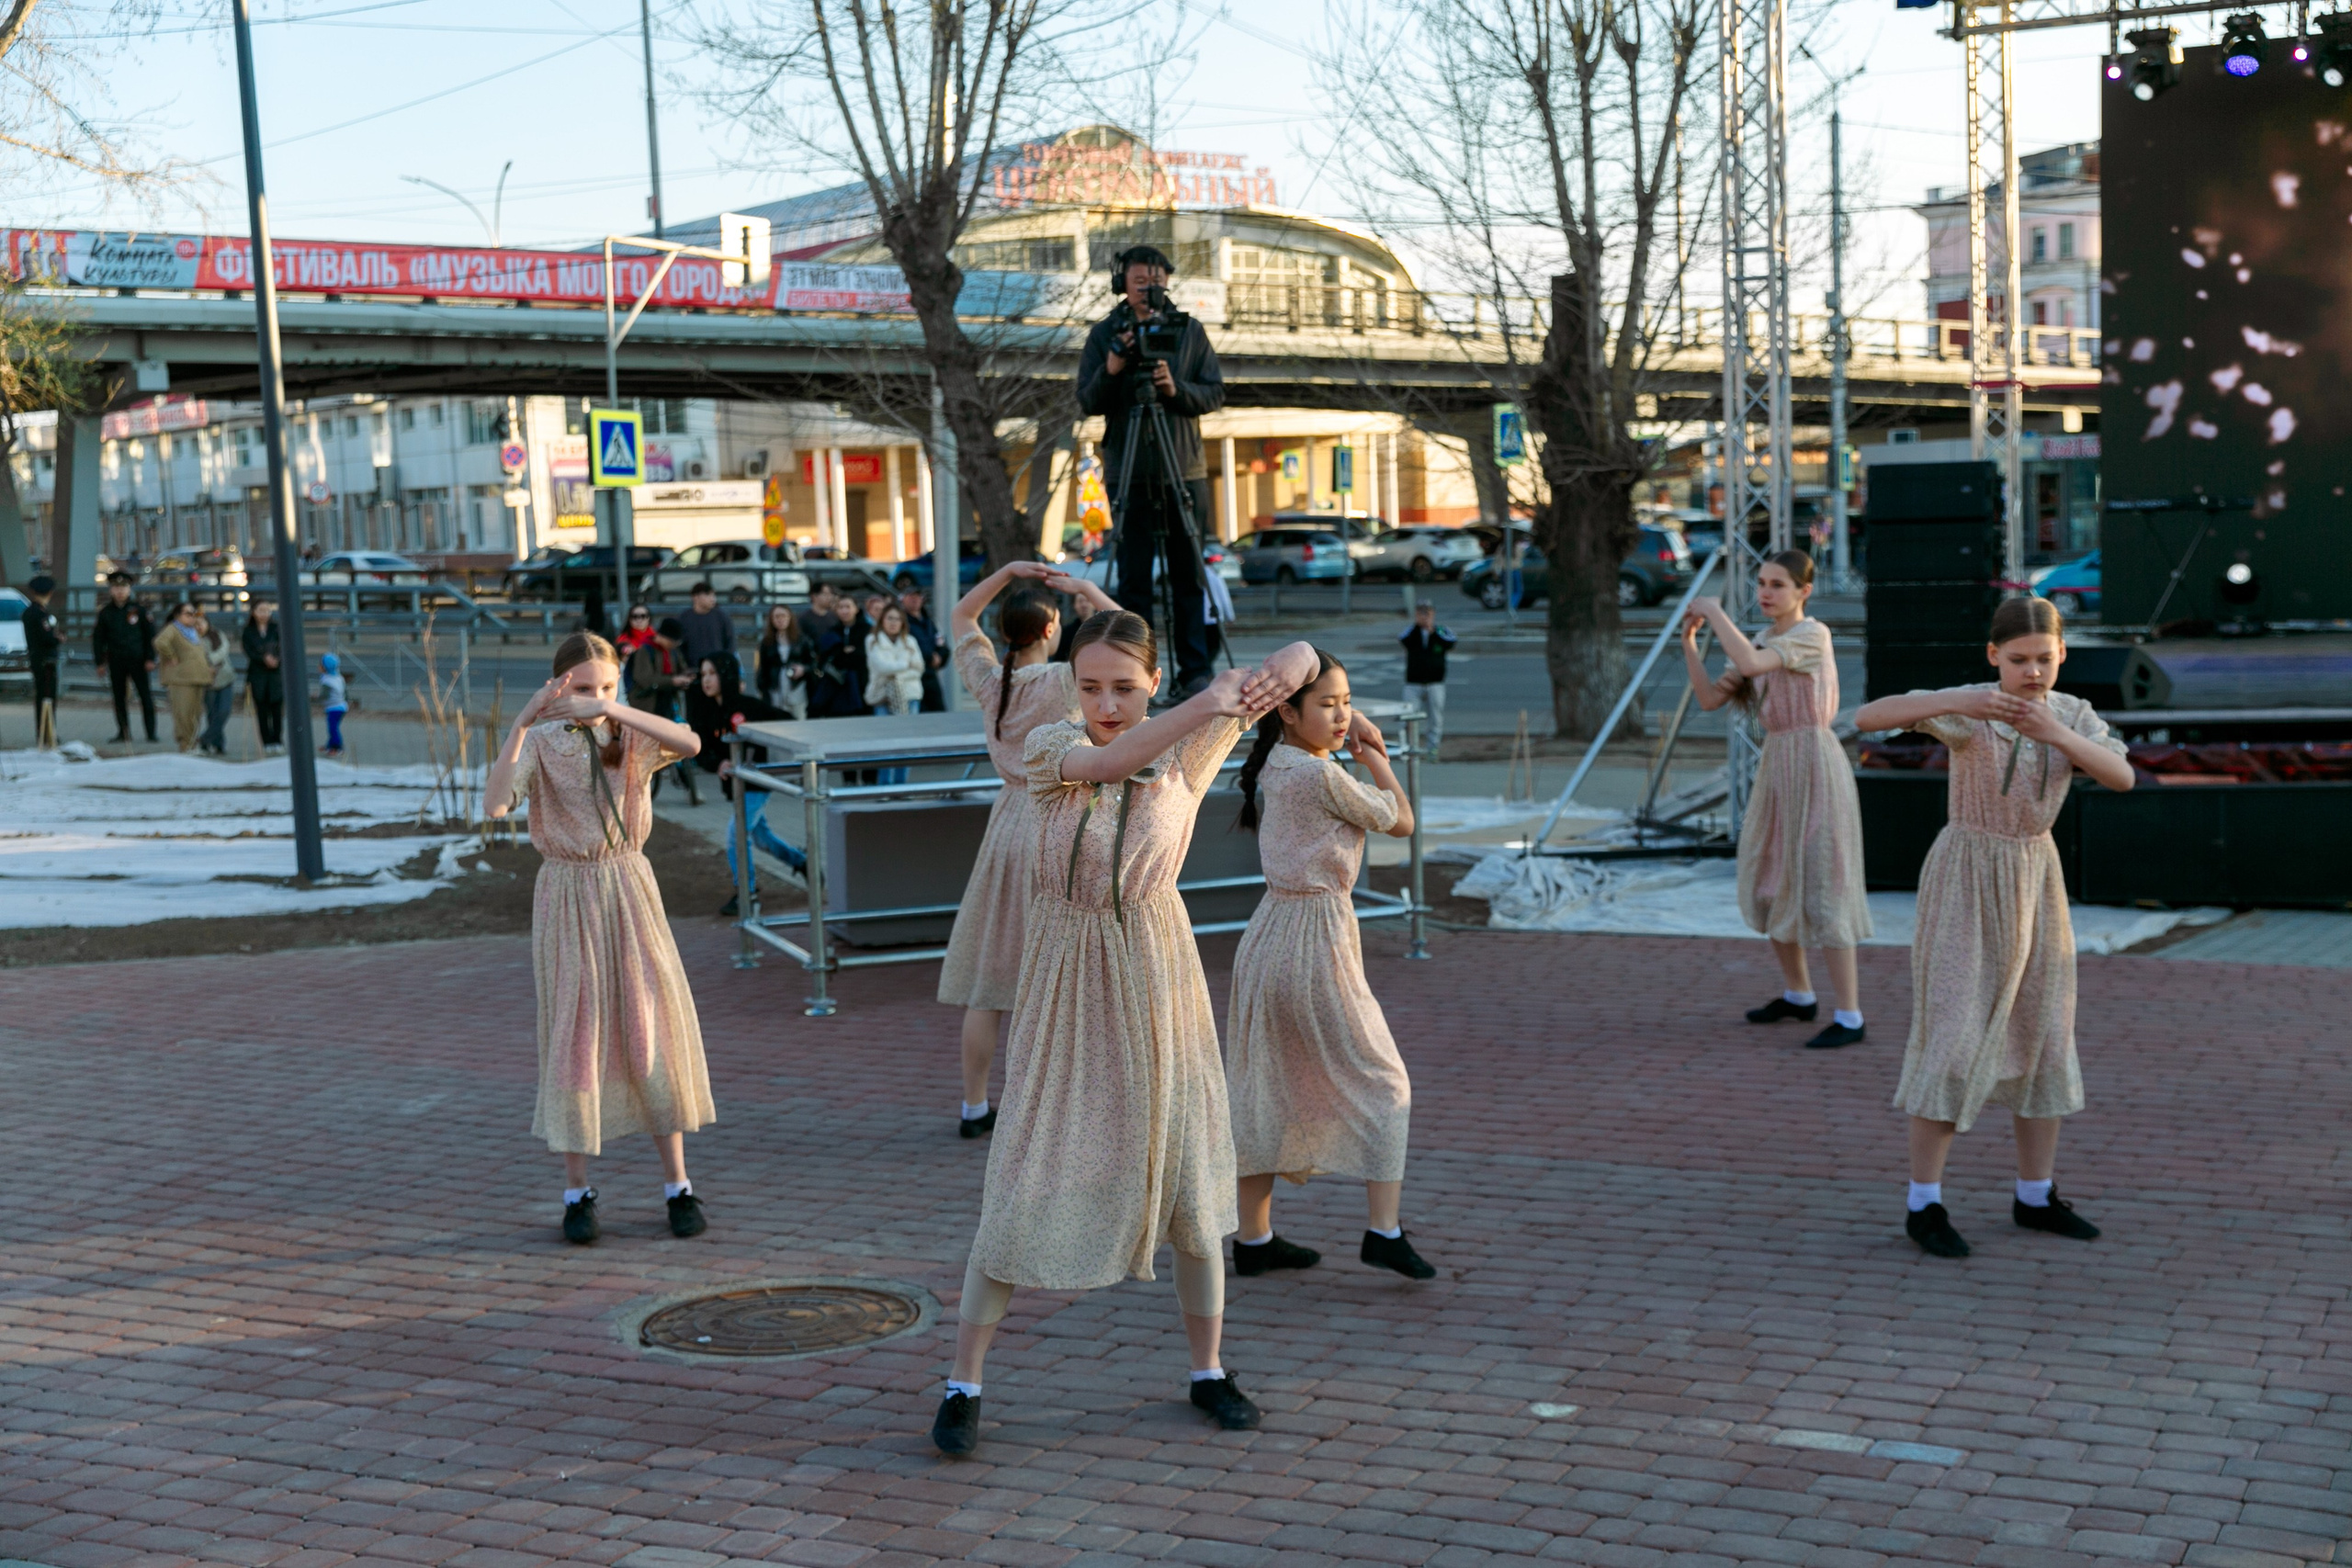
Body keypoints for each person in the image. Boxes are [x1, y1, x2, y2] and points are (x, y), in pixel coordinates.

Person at [928, 614, 1315, 1457]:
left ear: (1153, 679)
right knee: (1026, 1170)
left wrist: (1249, 687)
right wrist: (1205, 703)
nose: (1106, 702)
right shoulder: (1048, 745)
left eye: (1125, 686)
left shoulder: (1194, 738)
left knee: (1188, 1174)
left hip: (1156, 966)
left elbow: (1301, 657)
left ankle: (1207, 1369)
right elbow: (1105, 763)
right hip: (1068, 969)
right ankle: (964, 1382)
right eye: (1091, 684)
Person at [1851, 597, 2135, 1260]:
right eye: (2017, 660)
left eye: (2044, 658)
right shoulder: (1974, 708)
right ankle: (1924, 1203)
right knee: (1952, 1032)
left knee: (2042, 1030)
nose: (2032, 672)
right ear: (1993, 656)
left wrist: (2059, 734)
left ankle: (2034, 1194)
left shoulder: (2073, 715)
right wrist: (1966, 699)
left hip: (2037, 876)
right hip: (1967, 874)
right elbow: (1868, 717)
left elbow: (2121, 775)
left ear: (2062, 654)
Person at [482, 630, 714, 1247]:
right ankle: (577, 1191)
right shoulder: (543, 741)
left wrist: (613, 709)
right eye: (583, 688)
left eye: (606, 685)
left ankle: (678, 1184)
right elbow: (495, 803)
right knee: (576, 1033)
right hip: (567, 893)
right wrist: (525, 722)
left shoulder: (630, 732)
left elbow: (692, 742)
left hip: (629, 886)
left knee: (650, 1023)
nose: (594, 697)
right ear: (559, 686)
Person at [1226, 649, 1432, 1282]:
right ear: (1288, 710)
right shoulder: (1322, 776)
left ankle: (1254, 1239)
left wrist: (1348, 720)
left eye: (1348, 701)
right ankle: (1383, 1230)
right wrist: (1376, 758)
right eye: (1330, 704)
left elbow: (1319, 718)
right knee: (1384, 1081)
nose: (1343, 715)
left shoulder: (1277, 763)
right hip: (1316, 941)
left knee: (1265, 1090)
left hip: (1268, 936)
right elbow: (1402, 819)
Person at [935, 563, 1116, 1140]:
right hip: (1053, 818)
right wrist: (1086, 590)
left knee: (991, 975)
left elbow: (961, 614)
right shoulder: (1065, 680)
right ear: (1048, 629)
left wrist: (1006, 572)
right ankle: (1056, 1109)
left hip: (1005, 821)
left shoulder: (992, 680)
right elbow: (1123, 633)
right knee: (1060, 970)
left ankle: (973, 1106)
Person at [1683, 551, 1874, 1049]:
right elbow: (1710, 699)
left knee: (1824, 881)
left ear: (1803, 591)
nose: (1766, 593)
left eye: (1778, 585)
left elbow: (1748, 662)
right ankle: (1798, 995)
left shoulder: (1813, 635)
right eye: (1762, 583)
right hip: (1779, 764)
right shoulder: (1765, 639)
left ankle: (1850, 1015)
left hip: (1814, 758)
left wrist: (1716, 611)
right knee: (1771, 879)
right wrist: (1688, 643)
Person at [1076, 243, 1227, 700]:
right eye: (1140, 280)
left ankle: (1195, 672)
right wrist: (1113, 369)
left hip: (1183, 469)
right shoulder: (1106, 334)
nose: (1149, 288)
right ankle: (1135, 674)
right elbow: (1088, 401)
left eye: (1156, 279)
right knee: (1134, 584)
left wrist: (1174, 389)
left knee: (1188, 579)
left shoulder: (1189, 331)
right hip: (1129, 471)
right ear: (1123, 283)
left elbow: (1214, 394)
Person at [628, 617, 698, 804]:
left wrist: (687, 676)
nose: (675, 645)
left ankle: (688, 785)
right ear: (664, 637)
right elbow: (644, 678)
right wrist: (672, 681)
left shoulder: (673, 652)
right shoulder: (645, 650)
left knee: (678, 739)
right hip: (647, 704)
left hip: (667, 701)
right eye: (674, 641)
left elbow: (681, 668)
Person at [92, 571, 158, 743]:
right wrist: (100, 662)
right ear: (111, 590)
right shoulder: (106, 613)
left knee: (145, 696)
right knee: (119, 697)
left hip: (138, 660)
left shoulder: (140, 611)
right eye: (116, 587)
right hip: (116, 660)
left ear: (129, 589)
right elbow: (98, 640)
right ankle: (123, 732)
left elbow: (150, 636)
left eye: (123, 587)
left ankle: (151, 733)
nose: (120, 591)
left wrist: (151, 658)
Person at [154, 600, 213, 752]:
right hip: (181, 680)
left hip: (198, 678)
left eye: (194, 614)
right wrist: (171, 655)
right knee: (183, 713)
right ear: (177, 615)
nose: (192, 617)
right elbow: (160, 642)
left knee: (195, 714)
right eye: (188, 614)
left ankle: (193, 742)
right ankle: (185, 743)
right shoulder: (173, 629)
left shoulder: (193, 631)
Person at [1396, 601, 1455, 752]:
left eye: (1427, 613)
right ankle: (1408, 747)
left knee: (1435, 717)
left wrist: (1432, 632)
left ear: (1433, 614)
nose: (1424, 617)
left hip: (1435, 683)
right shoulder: (1412, 632)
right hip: (1414, 683)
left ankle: (1432, 748)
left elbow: (1451, 641)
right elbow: (1402, 639)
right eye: (1421, 613)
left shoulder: (1441, 631)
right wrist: (1418, 626)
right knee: (1408, 716)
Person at [808, 593, 871, 718]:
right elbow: (829, 656)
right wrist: (842, 652)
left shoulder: (867, 630)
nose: (844, 611)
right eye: (841, 607)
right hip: (836, 688)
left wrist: (848, 653)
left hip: (861, 686)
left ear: (856, 608)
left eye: (848, 607)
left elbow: (863, 657)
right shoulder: (832, 631)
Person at [865, 603, 928, 717]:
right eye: (890, 618)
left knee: (910, 732)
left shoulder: (910, 641)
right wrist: (906, 664)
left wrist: (896, 677)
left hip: (910, 695)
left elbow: (919, 668)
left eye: (898, 619)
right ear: (882, 620)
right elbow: (881, 668)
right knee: (884, 733)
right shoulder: (872, 640)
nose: (893, 623)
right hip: (882, 696)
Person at [242, 598, 285, 755]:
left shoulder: (276, 628)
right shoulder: (249, 631)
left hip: (275, 675)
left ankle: (277, 740)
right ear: (253, 612)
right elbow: (249, 651)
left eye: (267, 610)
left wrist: (276, 659)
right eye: (261, 610)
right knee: (262, 709)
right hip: (258, 674)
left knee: (276, 709)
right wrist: (263, 659)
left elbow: (284, 647)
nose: (264, 614)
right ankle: (266, 741)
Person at [21, 575, 60, 750]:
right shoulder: (39, 613)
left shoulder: (30, 612)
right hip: (45, 662)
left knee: (44, 697)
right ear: (49, 593)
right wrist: (58, 638)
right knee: (47, 698)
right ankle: (46, 733)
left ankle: (46, 731)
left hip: (38, 659)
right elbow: (47, 638)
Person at [755, 604, 809, 719]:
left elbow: (812, 662)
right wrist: (763, 690)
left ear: (790, 617)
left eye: (784, 616)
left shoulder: (801, 640)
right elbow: (763, 668)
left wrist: (803, 669)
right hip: (775, 688)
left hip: (796, 688)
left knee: (798, 719)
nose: (781, 620)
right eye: (777, 617)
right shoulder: (767, 642)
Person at [899, 585, 946, 712]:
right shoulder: (901, 622)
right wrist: (929, 657)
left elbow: (941, 643)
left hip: (931, 676)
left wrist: (940, 656)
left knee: (938, 713)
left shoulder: (928, 621)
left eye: (917, 596)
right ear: (903, 599)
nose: (914, 599)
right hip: (913, 676)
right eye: (910, 596)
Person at [199, 609, 237, 757]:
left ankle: (205, 738)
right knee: (212, 713)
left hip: (225, 677)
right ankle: (218, 743)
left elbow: (223, 650)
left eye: (202, 623)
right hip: (208, 681)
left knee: (224, 710)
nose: (199, 626)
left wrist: (210, 660)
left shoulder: (217, 635)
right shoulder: (193, 640)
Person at [678, 582, 737, 676]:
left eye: (713, 595)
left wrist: (724, 664)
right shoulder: (684, 618)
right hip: (693, 670)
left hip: (717, 669)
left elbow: (730, 642)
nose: (712, 599)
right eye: (708, 595)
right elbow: (679, 646)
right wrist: (684, 667)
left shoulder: (721, 617)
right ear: (695, 597)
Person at [319, 651, 350, 757]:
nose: (319, 666)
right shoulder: (339, 677)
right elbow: (345, 692)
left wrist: (314, 698)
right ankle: (329, 745)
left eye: (321, 664)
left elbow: (324, 696)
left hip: (333, 708)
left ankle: (338, 747)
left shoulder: (327, 681)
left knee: (333, 728)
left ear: (325, 667)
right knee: (333, 727)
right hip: (342, 706)